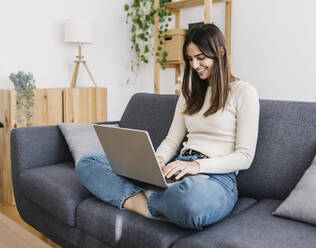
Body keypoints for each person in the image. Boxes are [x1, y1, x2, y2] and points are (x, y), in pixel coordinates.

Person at [75, 23, 259, 229]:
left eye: (201, 57)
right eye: (190, 59)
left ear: (220, 52)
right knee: (88, 162)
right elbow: (172, 140)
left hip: (215, 179)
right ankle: (147, 203)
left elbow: (245, 157)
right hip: (177, 168)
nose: (195, 65)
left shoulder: (243, 92)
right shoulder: (189, 93)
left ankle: (145, 199)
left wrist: (197, 166)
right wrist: (159, 159)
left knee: (194, 202)